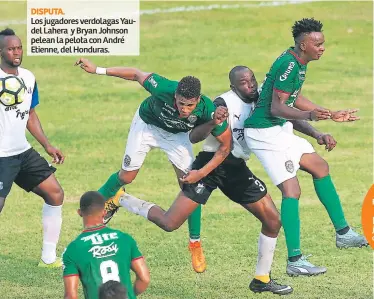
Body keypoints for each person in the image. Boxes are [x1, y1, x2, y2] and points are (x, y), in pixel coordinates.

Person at [112, 66, 297, 295]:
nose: (249, 85)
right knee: (170, 223)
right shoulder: (222, 103)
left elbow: (290, 116)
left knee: (272, 220)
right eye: (243, 82)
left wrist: (317, 133)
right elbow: (196, 137)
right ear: (233, 86)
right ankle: (122, 198)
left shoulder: (264, 103)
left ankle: (261, 279)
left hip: (235, 168)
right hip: (209, 164)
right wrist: (211, 126)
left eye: (252, 80)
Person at [75, 58, 230, 273]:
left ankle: (195, 243)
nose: (184, 109)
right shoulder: (164, 87)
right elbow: (136, 73)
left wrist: (214, 123)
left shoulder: (208, 109)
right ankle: (94, 206)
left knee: (190, 186)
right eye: (180, 103)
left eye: (189, 105)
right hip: (147, 126)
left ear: (197, 101)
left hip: (176, 136)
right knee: (126, 176)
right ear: (175, 94)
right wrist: (98, 70)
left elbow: (225, 144)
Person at [243, 18, 368, 277]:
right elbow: (277, 108)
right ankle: (295, 260)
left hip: (279, 128)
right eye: (317, 44)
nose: (322, 48)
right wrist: (311, 117)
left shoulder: (298, 63)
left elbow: (294, 101)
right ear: (303, 45)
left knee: (320, 167)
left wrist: (323, 122)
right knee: (292, 190)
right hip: (264, 133)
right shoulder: (289, 65)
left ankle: (344, 234)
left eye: (323, 43)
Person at [0, 28, 64, 267]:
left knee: (55, 193)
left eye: (18, 47)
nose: (16, 52)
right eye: (10, 48)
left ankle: (48, 258)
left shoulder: (28, 77)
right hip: (1, 157)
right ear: (0, 52)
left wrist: (47, 145)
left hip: (22, 152)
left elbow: (30, 114)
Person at [62, 191, 150, 299]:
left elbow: (71, 296)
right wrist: (129, 295)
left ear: (80, 213)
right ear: (104, 212)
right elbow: (144, 279)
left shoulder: (73, 250)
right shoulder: (124, 239)